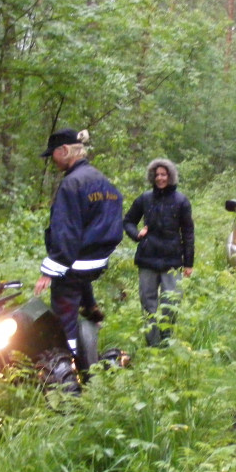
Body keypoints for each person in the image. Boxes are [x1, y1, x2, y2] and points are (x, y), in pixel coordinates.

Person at [33, 128, 123, 369]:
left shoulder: (72, 184)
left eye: (53, 154)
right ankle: (90, 308)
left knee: (64, 319)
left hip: (73, 264)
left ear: (64, 151)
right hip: (96, 261)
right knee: (79, 290)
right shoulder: (102, 180)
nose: (52, 160)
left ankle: (71, 367)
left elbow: (66, 234)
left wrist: (49, 271)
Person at [123, 159, 195, 347]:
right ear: (152, 177)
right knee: (148, 302)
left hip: (172, 258)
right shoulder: (145, 198)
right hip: (147, 256)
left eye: (163, 175)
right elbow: (128, 221)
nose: (160, 178)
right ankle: (152, 344)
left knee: (171, 302)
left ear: (170, 176)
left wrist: (188, 262)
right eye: (157, 175)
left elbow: (188, 232)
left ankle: (166, 340)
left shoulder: (181, 201)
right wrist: (137, 234)